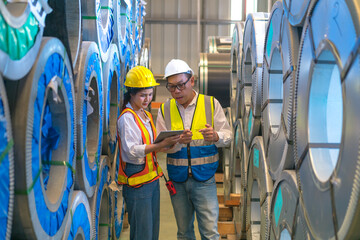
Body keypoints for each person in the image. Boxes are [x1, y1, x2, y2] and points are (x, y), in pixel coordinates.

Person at [156, 59, 232, 240]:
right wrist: (177, 143)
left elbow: (228, 135)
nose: (177, 91)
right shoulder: (165, 109)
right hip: (177, 180)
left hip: (205, 180)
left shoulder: (211, 104)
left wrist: (215, 137)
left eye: (181, 85)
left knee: (210, 233)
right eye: (171, 87)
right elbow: (159, 145)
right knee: (184, 233)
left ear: (192, 80)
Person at [117, 66, 180, 240]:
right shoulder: (127, 118)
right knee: (142, 233)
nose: (147, 99)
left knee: (152, 231)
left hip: (151, 181)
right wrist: (159, 145)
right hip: (138, 185)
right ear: (131, 93)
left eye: (150, 94)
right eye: (143, 95)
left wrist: (165, 146)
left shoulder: (144, 114)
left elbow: (149, 145)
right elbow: (131, 151)